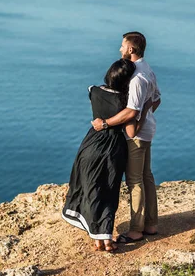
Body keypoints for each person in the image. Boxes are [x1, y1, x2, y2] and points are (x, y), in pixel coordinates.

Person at [92, 31, 161, 243]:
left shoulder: (137, 78)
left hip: (137, 135)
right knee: (146, 176)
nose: (120, 49)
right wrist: (146, 112)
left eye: (122, 46)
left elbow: (131, 111)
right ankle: (151, 224)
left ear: (131, 49)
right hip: (147, 130)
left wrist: (105, 123)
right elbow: (157, 99)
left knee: (135, 181)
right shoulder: (147, 70)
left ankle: (135, 230)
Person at [62, 59, 137, 252]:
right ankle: (107, 239)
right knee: (109, 191)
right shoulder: (125, 101)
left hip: (90, 145)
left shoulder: (93, 91)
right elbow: (130, 132)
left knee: (91, 190)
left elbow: (97, 95)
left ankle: (97, 239)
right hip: (113, 148)